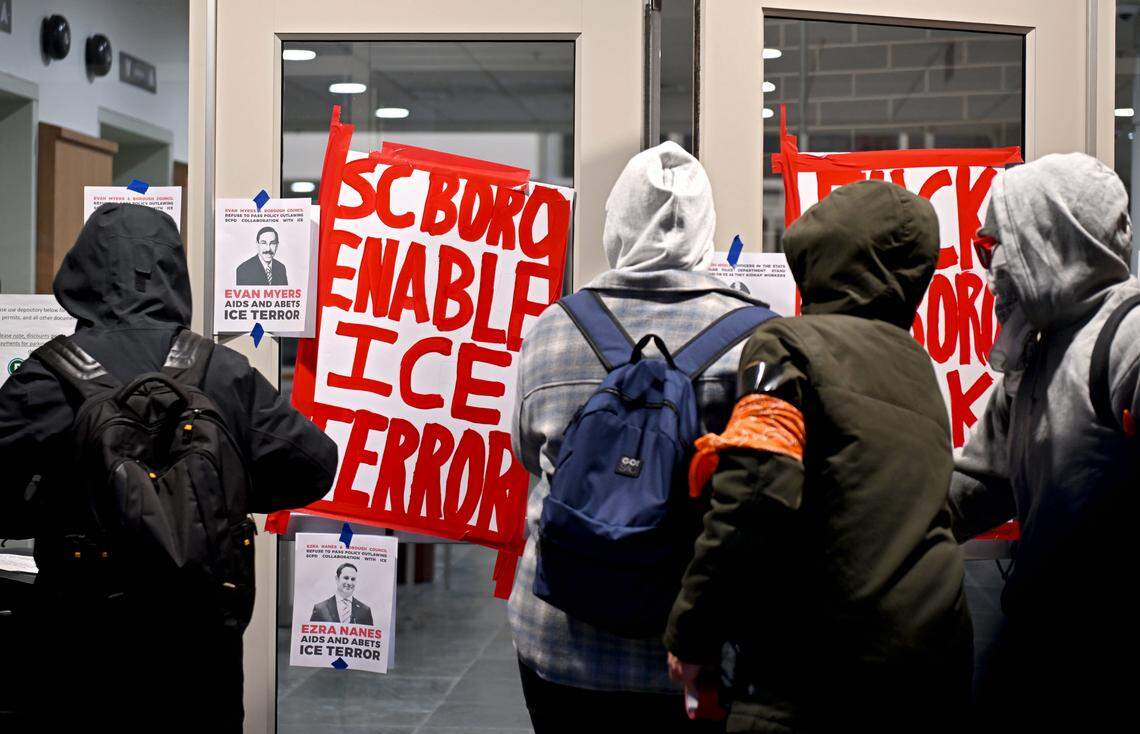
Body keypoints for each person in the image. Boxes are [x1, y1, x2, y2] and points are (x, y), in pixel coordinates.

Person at [0, 203, 337, 731]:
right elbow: (315, 466)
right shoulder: (219, 369)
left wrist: (50, 501)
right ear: (175, 273)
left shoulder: (48, 374)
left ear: (80, 271)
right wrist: (217, 492)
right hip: (198, 638)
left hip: (79, 634)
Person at [665, 180, 973, 733]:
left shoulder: (786, 345)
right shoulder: (917, 365)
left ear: (818, 252)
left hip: (813, 679)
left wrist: (692, 631)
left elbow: (757, 490)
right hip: (932, 664)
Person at [509, 141, 766, 733]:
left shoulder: (554, 327)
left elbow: (527, 449)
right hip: (692, 652)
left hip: (559, 640)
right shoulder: (761, 338)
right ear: (704, 228)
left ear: (617, 222)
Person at [948, 153, 1139, 731]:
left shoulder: (1127, 336)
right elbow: (976, 484)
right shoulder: (1037, 350)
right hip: (1039, 648)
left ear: (1047, 238)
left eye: (995, 247)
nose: (992, 270)